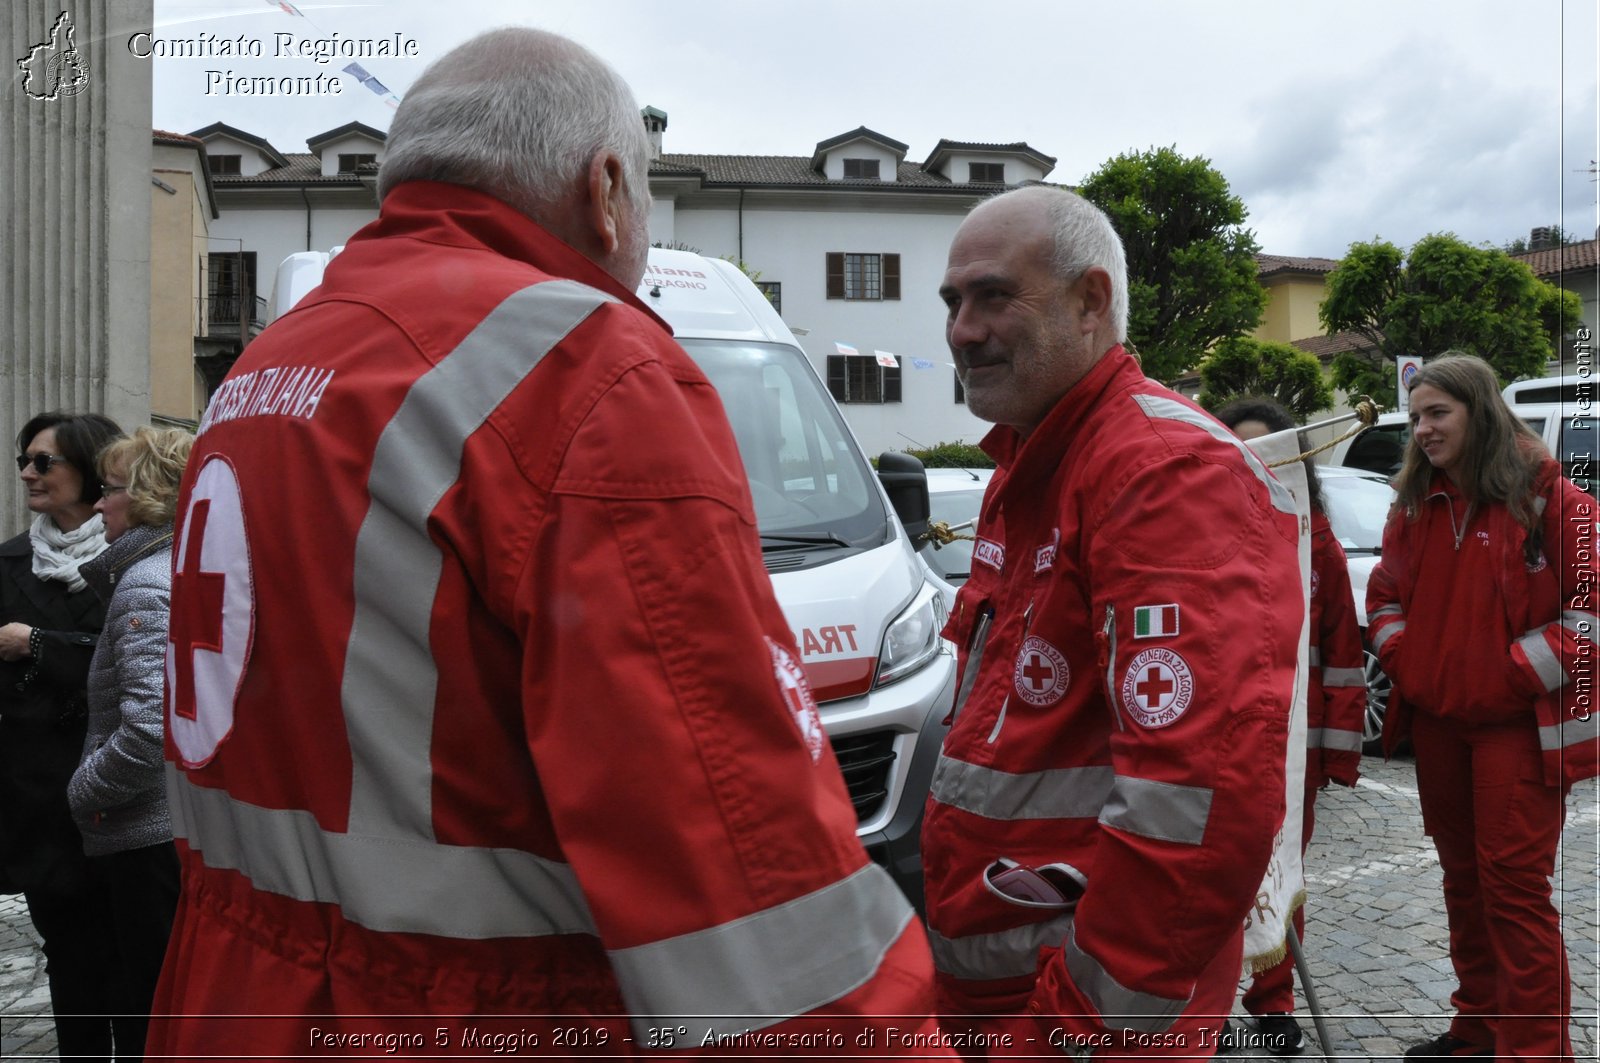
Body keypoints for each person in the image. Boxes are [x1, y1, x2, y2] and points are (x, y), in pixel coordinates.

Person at [147, 27, 944, 1057]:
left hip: (235, 993)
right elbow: (741, 869)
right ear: (606, 188)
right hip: (464, 1012)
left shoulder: (271, 366)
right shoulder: (578, 365)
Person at [922, 185, 1301, 1059]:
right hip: (1012, 992)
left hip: (1076, 1016)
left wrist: (1077, 1031)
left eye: (992, 295)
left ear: (1090, 301)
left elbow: (1199, 806)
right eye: (952, 301)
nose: (961, 330)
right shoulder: (1031, 467)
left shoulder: (1161, 474)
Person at [1367, 353, 1596, 1062]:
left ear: (1481, 410)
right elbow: (1383, 598)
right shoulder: (1413, 504)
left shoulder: (1555, 502)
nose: (1424, 430)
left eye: (1439, 413)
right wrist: (1412, 661)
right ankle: (1479, 1029)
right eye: (1416, 418)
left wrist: (1510, 673)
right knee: (1463, 884)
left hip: (1519, 731)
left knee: (1515, 894)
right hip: (1440, 727)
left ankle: (1533, 1050)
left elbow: (1591, 616)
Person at [1214, 398, 1365, 1056]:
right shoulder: (1193, 536)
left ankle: (1272, 1001)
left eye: (1271, 454)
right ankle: (1206, 1005)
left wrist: (1335, 754)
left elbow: (1341, 653)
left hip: (1289, 748)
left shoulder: (1319, 545)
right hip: (1211, 747)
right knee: (1206, 874)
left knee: (1280, 875)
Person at [0, 410, 125, 1061]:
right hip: (41, 799)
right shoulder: (10, 561)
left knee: (134, 961)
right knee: (69, 959)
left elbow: (137, 654)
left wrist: (38, 644)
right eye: (25, 458)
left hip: (124, 796)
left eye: (43, 461)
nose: (27, 472)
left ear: (88, 467)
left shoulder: (135, 552)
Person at [66, 426, 191, 1061]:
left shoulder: (145, 583)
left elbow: (150, 729)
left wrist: (82, 792)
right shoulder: (172, 569)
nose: (96, 504)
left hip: (145, 835)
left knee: (147, 1004)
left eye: (108, 491)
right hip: (161, 830)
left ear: (143, 498)